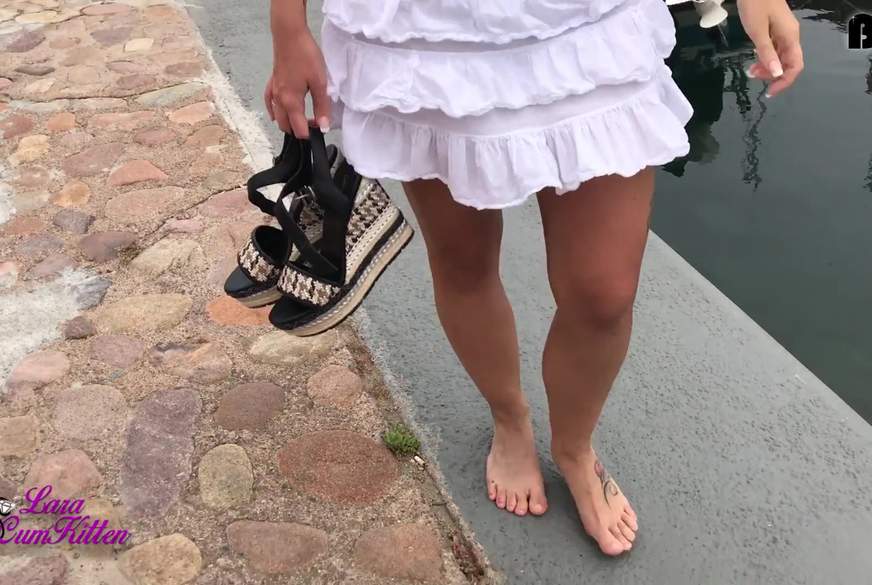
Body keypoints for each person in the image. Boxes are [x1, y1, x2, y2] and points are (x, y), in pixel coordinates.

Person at [266, 0, 802, 556]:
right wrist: (288, 26)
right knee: (463, 261)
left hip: (585, 22)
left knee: (604, 294)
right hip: (428, 34)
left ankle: (574, 446)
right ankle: (509, 418)